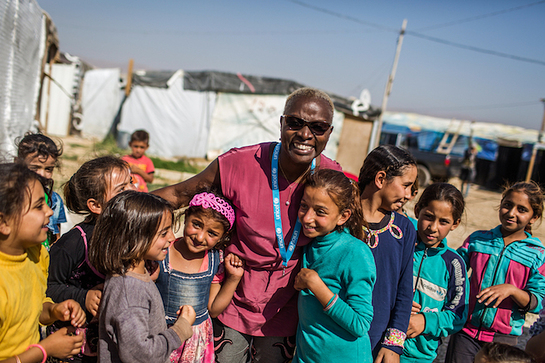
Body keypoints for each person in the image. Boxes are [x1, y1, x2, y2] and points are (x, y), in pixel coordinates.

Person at [153, 87, 341, 362]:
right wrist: (120, 209)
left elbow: (354, 231)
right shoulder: (239, 163)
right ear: (281, 124)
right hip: (232, 301)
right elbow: (181, 194)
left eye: (318, 127)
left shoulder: (331, 177)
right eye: (295, 123)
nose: (304, 134)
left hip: (287, 311)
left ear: (329, 132)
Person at [87, 190, 195, 362]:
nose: (172, 237)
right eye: (163, 233)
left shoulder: (132, 277)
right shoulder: (129, 292)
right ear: (134, 237)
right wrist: (180, 329)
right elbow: (140, 355)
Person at [46, 156, 135, 360]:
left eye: (131, 182)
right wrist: (82, 297)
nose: (132, 191)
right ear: (95, 205)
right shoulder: (74, 243)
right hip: (76, 347)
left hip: (114, 343)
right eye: (121, 190)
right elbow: (47, 287)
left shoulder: (132, 234)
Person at [445, 181, 545, 363]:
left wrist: (512, 290)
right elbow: (452, 272)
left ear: (534, 217)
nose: (512, 213)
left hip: (503, 337)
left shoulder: (537, 254)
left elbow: (537, 302)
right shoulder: (478, 240)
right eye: (507, 205)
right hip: (465, 330)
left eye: (522, 209)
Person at [0, 163, 86, 362]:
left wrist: (54, 310)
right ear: (3, 223)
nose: (49, 211)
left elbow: (35, 308)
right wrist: (44, 350)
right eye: (39, 206)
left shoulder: (37, 253)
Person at [292, 169, 376, 363]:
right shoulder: (308, 243)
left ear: (343, 216)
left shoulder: (355, 253)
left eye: (320, 212)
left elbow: (360, 324)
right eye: (304, 206)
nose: (306, 218)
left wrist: (316, 285)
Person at [155, 189, 245, 363]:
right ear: (186, 216)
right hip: (161, 337)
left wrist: (233, 279)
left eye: (212, 233)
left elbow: (213, 309)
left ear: (223, 236)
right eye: (196, 224)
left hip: (194, 344)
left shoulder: (215, 260)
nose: (200, 236)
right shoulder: (161, 251)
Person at [357, 144, 418, 363]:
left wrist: (393, 344)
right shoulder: (341, 219)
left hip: (377, 340)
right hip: (332, 336)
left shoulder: (404, 229)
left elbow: (404, 291)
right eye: (406, 185)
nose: (410, 195)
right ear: (381, 179)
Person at [400, 183, 468, 363]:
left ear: (455, 223)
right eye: (428, 217)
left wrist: (426, 321)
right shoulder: (400, 246)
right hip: (380, 344)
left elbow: (457, 314)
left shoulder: (454, 264)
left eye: (443, 221)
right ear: (417, 211)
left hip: (419, 356)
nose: (433, 227)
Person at [16, 133, 67, 246]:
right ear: (17, 163)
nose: (42, 174)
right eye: (35, 168)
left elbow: (55, 238)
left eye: (48, 169)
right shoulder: (11, 197)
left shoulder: (55, 200)